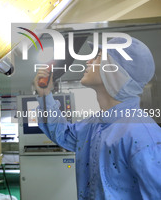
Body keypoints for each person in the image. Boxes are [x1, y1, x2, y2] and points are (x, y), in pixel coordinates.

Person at [34, 37, 161, 200]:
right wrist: (44, 95)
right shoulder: (96, 124)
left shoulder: (144, 138)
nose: (88, 61)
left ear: (115, 72)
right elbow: (63, 134)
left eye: (98, 57)